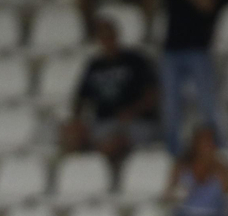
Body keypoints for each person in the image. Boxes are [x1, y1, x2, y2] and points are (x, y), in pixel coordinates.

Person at [157, 0, 225, 156]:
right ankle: (173, 153)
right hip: (171, 48)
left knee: (207, 103)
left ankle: (216, 147)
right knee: (171, 107)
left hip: (197, 47)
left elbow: (206, 4)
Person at [60, 17, 159, 166]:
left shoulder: (135, 60)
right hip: (104, 123)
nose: (107, 41)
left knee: (116, 140)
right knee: (69, 131)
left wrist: (132, 111)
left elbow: (153, 95)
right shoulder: (95, 65)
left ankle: (98, 162)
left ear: (117, 36)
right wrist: (76, 122)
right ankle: (73, 175)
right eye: (103, 37)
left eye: (110, 36)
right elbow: (80, 99)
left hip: (135, 123)